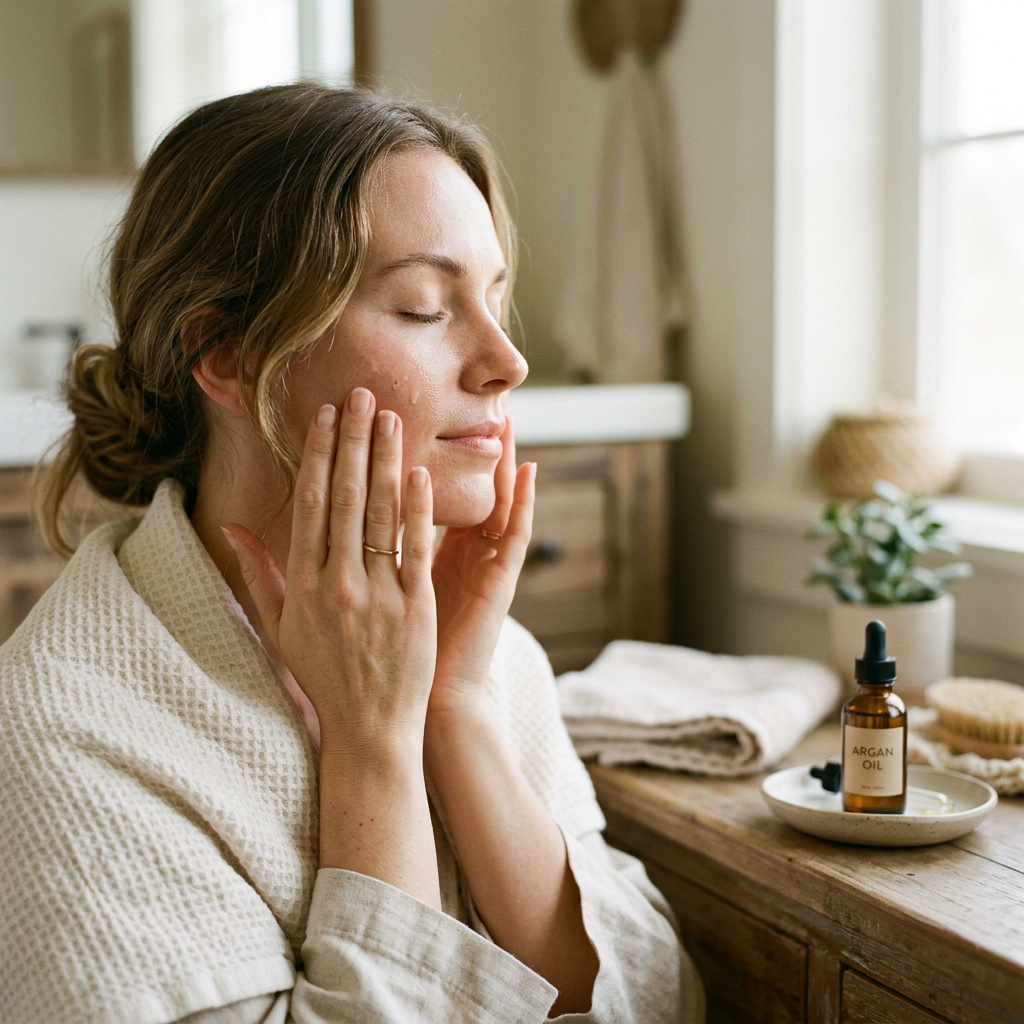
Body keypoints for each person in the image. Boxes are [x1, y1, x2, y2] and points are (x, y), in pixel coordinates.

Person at [0, 84, 704, 1023]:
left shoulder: (483, 659)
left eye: (496, 299)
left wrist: (450, 707)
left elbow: (658, 1003)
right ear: (227, 351)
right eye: (422, 306)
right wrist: (374, 746)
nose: (506, 360)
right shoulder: (63, 730)